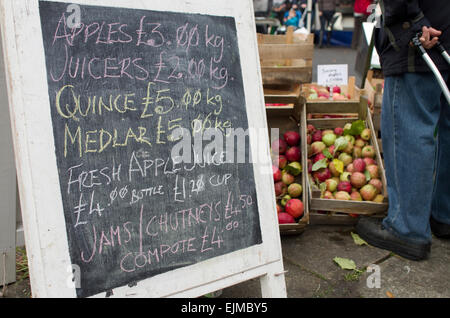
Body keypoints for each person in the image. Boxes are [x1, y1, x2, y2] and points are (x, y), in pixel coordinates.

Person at [356, 0, 450, 261]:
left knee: (410, 127)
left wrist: (413, 20)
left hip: (423, 32)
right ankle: (445, 213)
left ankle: (406, 228)